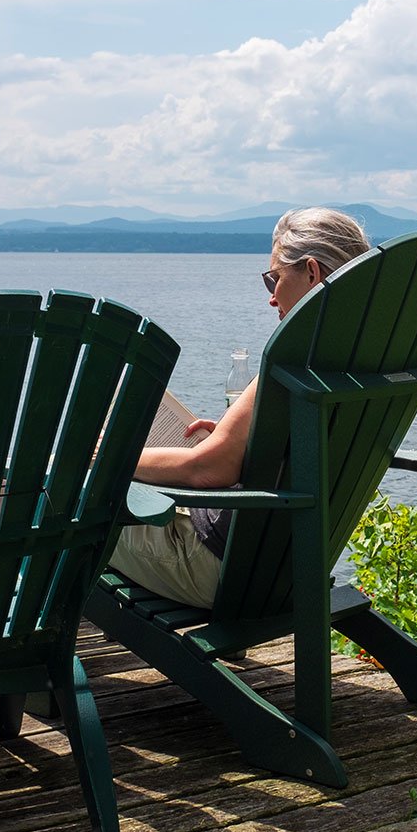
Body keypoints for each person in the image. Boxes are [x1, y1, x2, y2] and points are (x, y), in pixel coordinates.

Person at [107, 207, 371, 608]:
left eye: (274, 278)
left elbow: (209, 469)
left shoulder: (292, 358)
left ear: (312, 273)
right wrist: (253, 443)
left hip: (216, 568)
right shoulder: (372, 360)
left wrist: (108, 456)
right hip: (293, 570)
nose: (271, 296)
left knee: (57, 499)